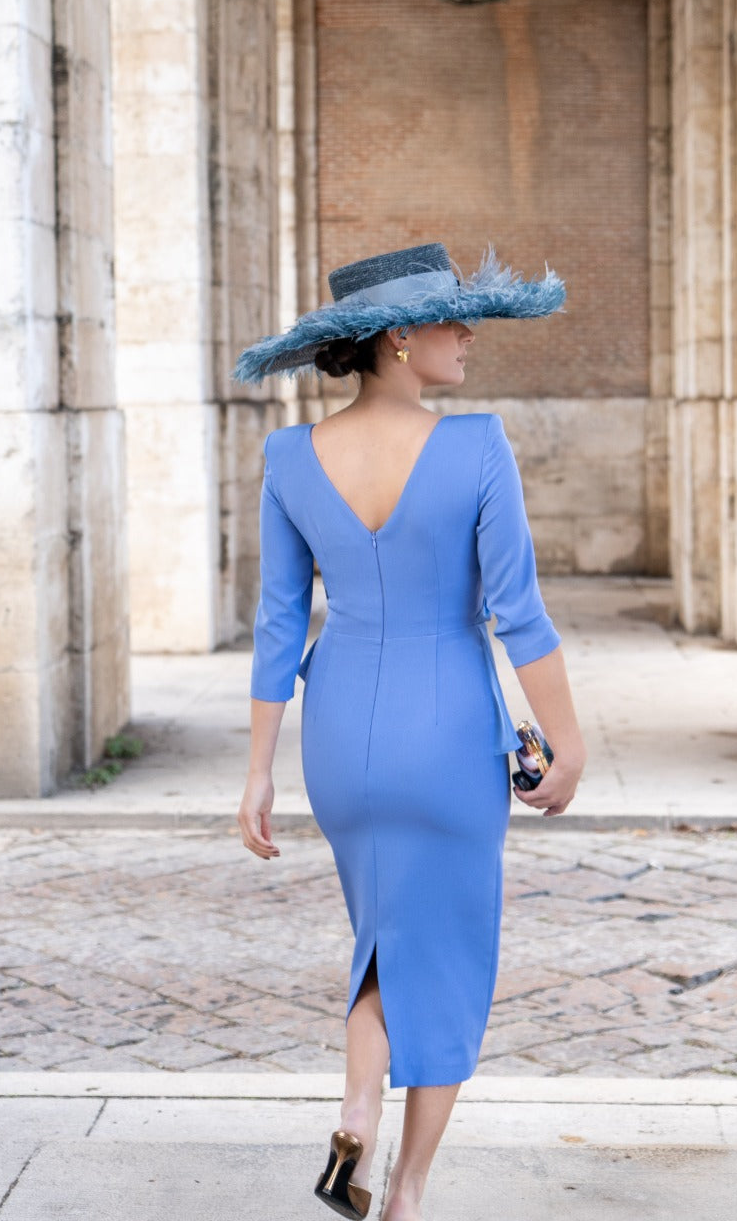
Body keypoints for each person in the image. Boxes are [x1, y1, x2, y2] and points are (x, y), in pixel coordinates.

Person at [233, 242, 586, 1221]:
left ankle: (359, 1104)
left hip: (341, 735)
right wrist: (565, 741)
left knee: (382, 939)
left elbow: (277, 624)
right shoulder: (476, 447)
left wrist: (258, 770)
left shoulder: (290, 458)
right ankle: (406, 1194)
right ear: (396, 337)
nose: (467, 334)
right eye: (450, 318)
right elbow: (518, 614)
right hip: (448, 734)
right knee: (449, 956)